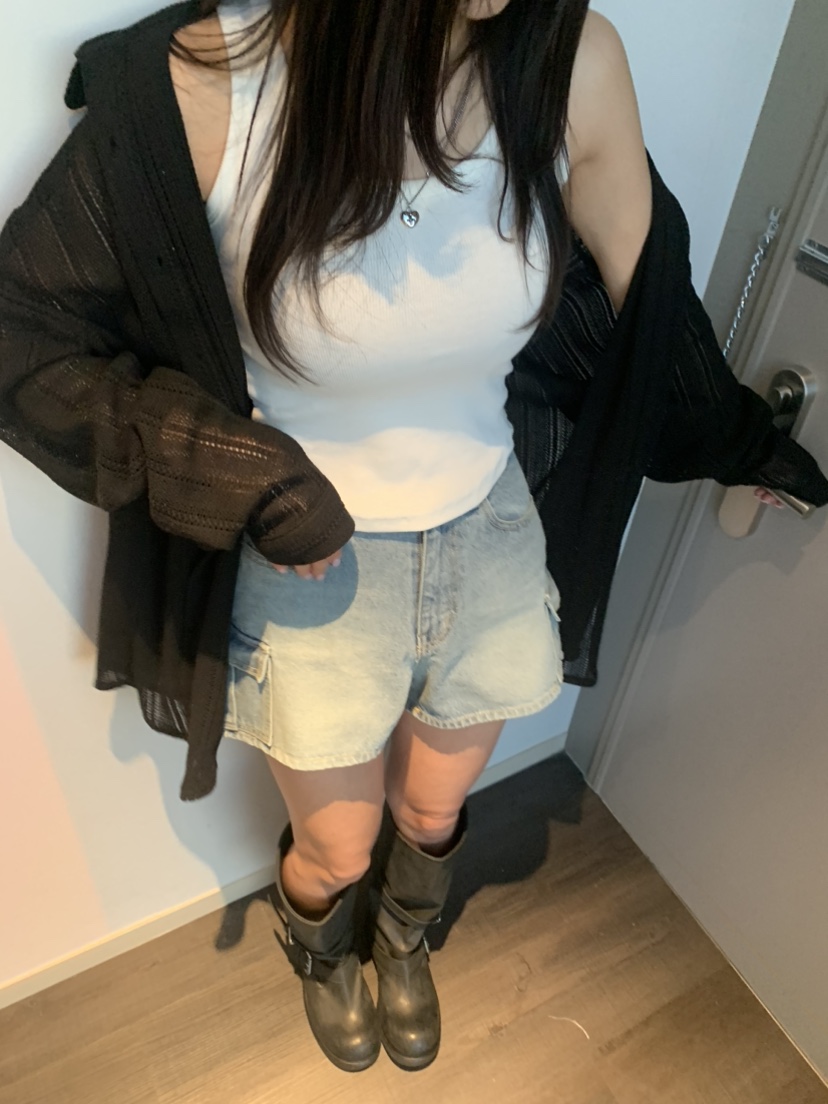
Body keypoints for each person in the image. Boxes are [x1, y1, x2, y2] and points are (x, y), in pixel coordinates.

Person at [1, 0, 824, 1078]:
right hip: (310, 559)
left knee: (433, 810)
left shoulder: (571, 62)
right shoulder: (199, 89)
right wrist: (237, 471)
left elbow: (654, 317)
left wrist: (749, 444)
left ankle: (404, 939)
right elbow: (21, 337)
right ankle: (322, 945)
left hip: (491, 528)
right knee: (337, 844)